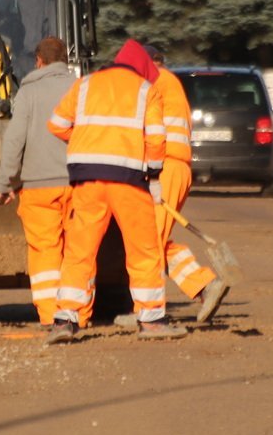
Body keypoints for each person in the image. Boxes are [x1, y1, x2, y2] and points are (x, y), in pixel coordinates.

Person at [45, 39, 186, 343]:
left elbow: (56, 124)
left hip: (87, 179)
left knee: (79, 251)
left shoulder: (85, 84)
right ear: (142, 68)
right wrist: (155, 174)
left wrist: (86, 140)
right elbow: (157, 139)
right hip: (129, 180)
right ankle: (151, 321)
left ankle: (64, 320)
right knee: (143, 250)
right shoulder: (145, 90)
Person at [0, 36, 88, 328]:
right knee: (79, 250)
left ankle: (50, 318)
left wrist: (5, 181)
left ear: (39, 61)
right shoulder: (81, 90)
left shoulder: (29, 92)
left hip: (38, 187)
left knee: (45, 251)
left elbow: (15, 140)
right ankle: (80, 315)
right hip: (79, 185)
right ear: (65, 61)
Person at [139, 44, 229, 324]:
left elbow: (145, 129)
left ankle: (147, 311)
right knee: (157, 240)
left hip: (164, 167)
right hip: (176, 167)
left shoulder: (153, 82)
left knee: (148, 243)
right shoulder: (170, 82)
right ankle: (202, 286)